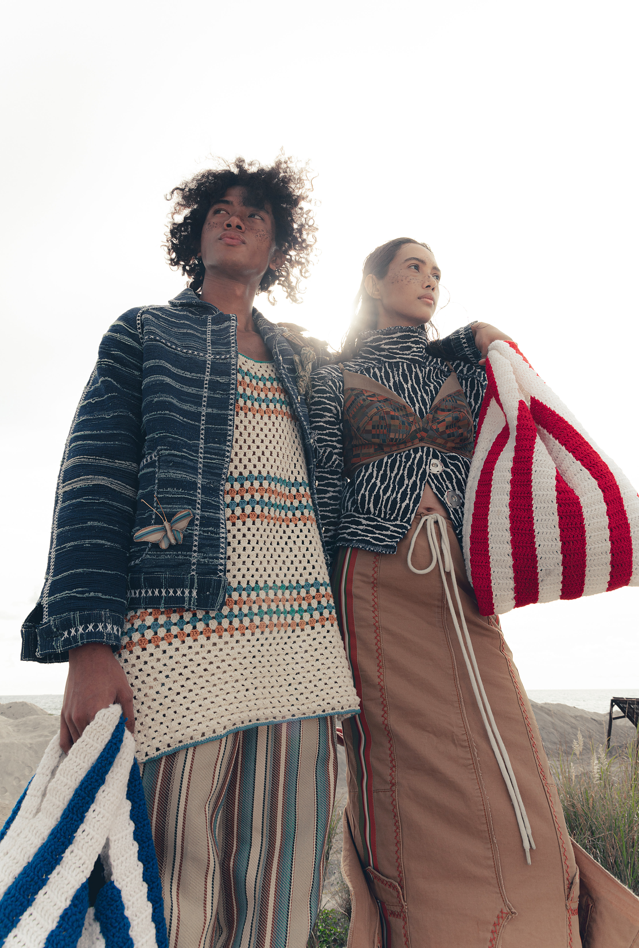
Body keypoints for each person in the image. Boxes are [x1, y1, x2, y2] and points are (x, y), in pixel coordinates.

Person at [20, 169, 490, 948]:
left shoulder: (306, 359)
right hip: (177, 640)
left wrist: (478, 339)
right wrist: (88, 645)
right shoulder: (144, 333)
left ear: (278, 248)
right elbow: (93, 483)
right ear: (196, 234)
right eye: (219, 212)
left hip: (304, 654)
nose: (235, 222)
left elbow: (391, 362)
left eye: (255, 216)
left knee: (281, 885)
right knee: (159, 883)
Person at [309, 237, 583, 948]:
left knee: (511, 755)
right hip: (373, 578)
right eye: (413, 269)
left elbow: (519, 413)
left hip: (465, 579)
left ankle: (537, 923)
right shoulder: (330, 380)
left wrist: (482, 330)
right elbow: (319, 499)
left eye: (436, 273)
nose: (430, 282)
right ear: (371, 283)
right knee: (400, 772)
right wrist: (324, 640)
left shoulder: (461, 364)